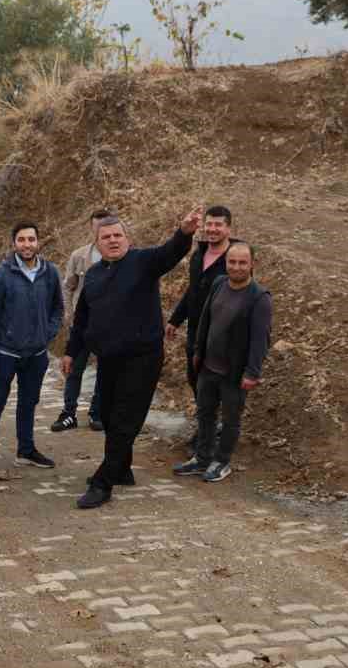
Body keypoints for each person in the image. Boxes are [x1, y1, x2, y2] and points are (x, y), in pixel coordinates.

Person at [63, 207, 202, 510]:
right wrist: (71, 352)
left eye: (118, 235)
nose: (113, 240)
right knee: (110, 415)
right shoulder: (95, 275)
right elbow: (83, 318)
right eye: (106, 237)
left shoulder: (143, 262)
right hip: (109, 358)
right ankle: (122, 468)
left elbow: (170, 252)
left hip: (143, 357)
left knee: (126, 419)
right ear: (96, 244)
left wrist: (185, 231)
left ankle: (104, 482)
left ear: (127, 238)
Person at [0, 223, 63, 477]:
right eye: (21, 240)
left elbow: (58, 307)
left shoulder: (50, 272)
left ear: (38, 242)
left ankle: (26, 450)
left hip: (36, 354)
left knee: (28, 403)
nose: (27, 244)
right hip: (5, 353)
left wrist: (47, 333)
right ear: (14, 243)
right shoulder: (2, 274)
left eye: (31, 239)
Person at [178, 243, 272, 483]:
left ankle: (222, 461)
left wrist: (252, 373)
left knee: (231, 420)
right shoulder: (219, 283)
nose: (237, 267)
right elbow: (205, 319)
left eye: (242, 263)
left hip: (234, 372)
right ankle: (202, 458)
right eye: (232, 262)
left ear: (252, 264)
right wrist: (198, 351)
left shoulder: (259, 298)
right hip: (208, 367)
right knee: (205, 414)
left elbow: (260, 340)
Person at [166, 205, 234, 461]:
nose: (213, 229)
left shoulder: (235, 257)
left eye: (218, 225)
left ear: (228, 227)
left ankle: (214, 437)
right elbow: (193, 290)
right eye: (209, 224)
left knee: (214, 384)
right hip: (196, 331)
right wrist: (175, 318)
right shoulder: (200, 253)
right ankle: (209, 427)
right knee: (195, 380)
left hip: (221, 334)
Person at [51, 209, 113, 433]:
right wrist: (69, 314)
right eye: (96, 226)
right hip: (82, 325)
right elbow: (67, 288)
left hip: (109, 325)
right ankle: (69, 412)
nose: (99, 231)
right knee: (74, 369)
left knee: (104, 370)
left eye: (104, 226)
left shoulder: (120, 256)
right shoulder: (79, 256)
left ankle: (97, 412)